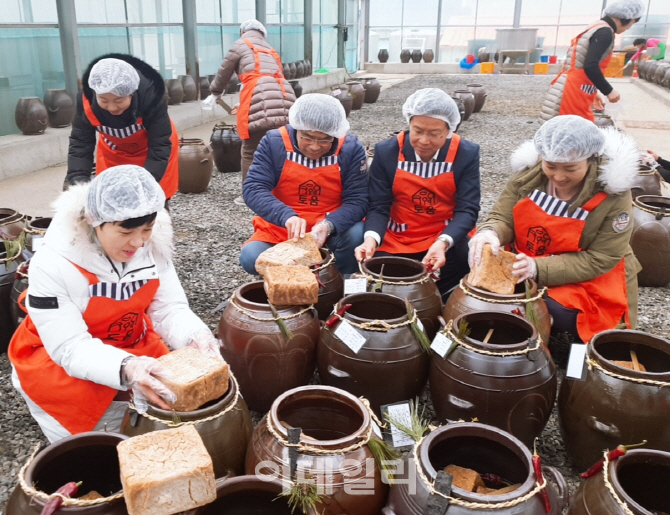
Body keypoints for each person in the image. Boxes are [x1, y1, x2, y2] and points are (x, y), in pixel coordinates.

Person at [8, 165, 220, 442]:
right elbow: (70, 347)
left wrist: (194, 335)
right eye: (125, 232)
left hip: (131, 339)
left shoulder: (153, 245)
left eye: (147, 228)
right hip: (60, 357)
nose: (138, 242)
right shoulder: (54, 263)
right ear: (94, 220)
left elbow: (168, 308)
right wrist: (127, 367)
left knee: (171, 409)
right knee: (103, 443)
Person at [469, 115, 641, 344]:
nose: (559, 177)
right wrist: (490, 232)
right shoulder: (526, 177)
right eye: (550, 166)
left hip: (588, 273)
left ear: (590, 160)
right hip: (530, 256)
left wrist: (537, 268)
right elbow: (503, 216)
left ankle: (561, 340)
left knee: (556, 309)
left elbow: (601, 258)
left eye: (570, 168)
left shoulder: (613, 193)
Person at [355, 88, 480, 296]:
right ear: (409, 124)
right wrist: (371, 239)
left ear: (449, 131)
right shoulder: (387, 151)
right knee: (383, 278)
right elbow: (378, 205)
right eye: (418, 131)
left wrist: (444, 242)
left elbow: (468, 209)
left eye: (434, 134)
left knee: (464, 263)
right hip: (398, 235)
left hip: (444, 234)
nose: (423, 141)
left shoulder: (465, 153)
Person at [240, 93, 367, 275]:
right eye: (307, 137)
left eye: (324, 139)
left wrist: (328, 225)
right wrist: (286, 216)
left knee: (357, 234)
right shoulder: (274, 143)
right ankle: (287, 283)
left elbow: (358, 200)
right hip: (282, 228)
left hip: (331, 228)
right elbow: (254, 188)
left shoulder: (349, 148)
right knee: (251, 257)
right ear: (296, 127)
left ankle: (339, 281)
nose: (315, 146)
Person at [202, 19, 296, 205]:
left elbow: (224, 72)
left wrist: (215, 92)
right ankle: (281, 191)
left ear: (243, 31)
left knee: (250, 151)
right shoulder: (270, 50)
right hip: (287, 100)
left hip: (259, 97)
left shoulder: (241, 44)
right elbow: (268, 82)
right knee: (282, 147)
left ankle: (250, 195)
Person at [65, 55, 179, 200]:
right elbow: (80, 143)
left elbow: (159, 146)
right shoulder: (86, 102)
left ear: (132, 93)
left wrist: (145, 186)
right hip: (114, 151)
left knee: (152, 201)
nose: (112, 107)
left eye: (119, 100)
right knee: (110, 197)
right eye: (104, 100)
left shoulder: (152, 97)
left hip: (152, 151)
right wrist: (78, 184)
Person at [541, 0, 646, 123]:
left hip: (573, 84)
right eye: (631, 24)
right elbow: (590, 65)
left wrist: (593, 92)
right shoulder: (605, 32)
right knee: (575, 129)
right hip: (575, 88)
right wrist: (608, 90)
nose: (628, 28)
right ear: (624, 18)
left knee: (564, 127)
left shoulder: (596, 26)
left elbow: (581, 61)